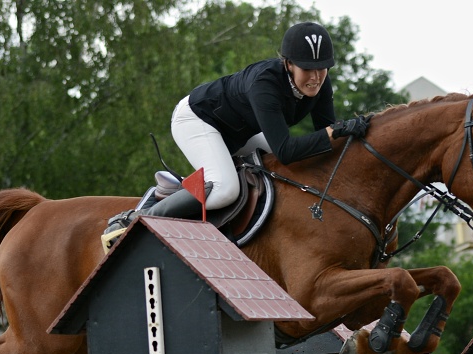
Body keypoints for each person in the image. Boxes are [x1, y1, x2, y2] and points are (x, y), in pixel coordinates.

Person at [103, 21, 369, 238]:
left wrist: (352, 134)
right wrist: (336, 132)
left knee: (284, 171)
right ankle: (140, 216)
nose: (316, 76)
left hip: (238, 131)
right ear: (288, 64)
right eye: (307, 68)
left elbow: (325, 137)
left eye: (322, 68)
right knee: (225, 190)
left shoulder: (321, 83)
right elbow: (288, 149)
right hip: (197, 119)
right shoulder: (266, 84)